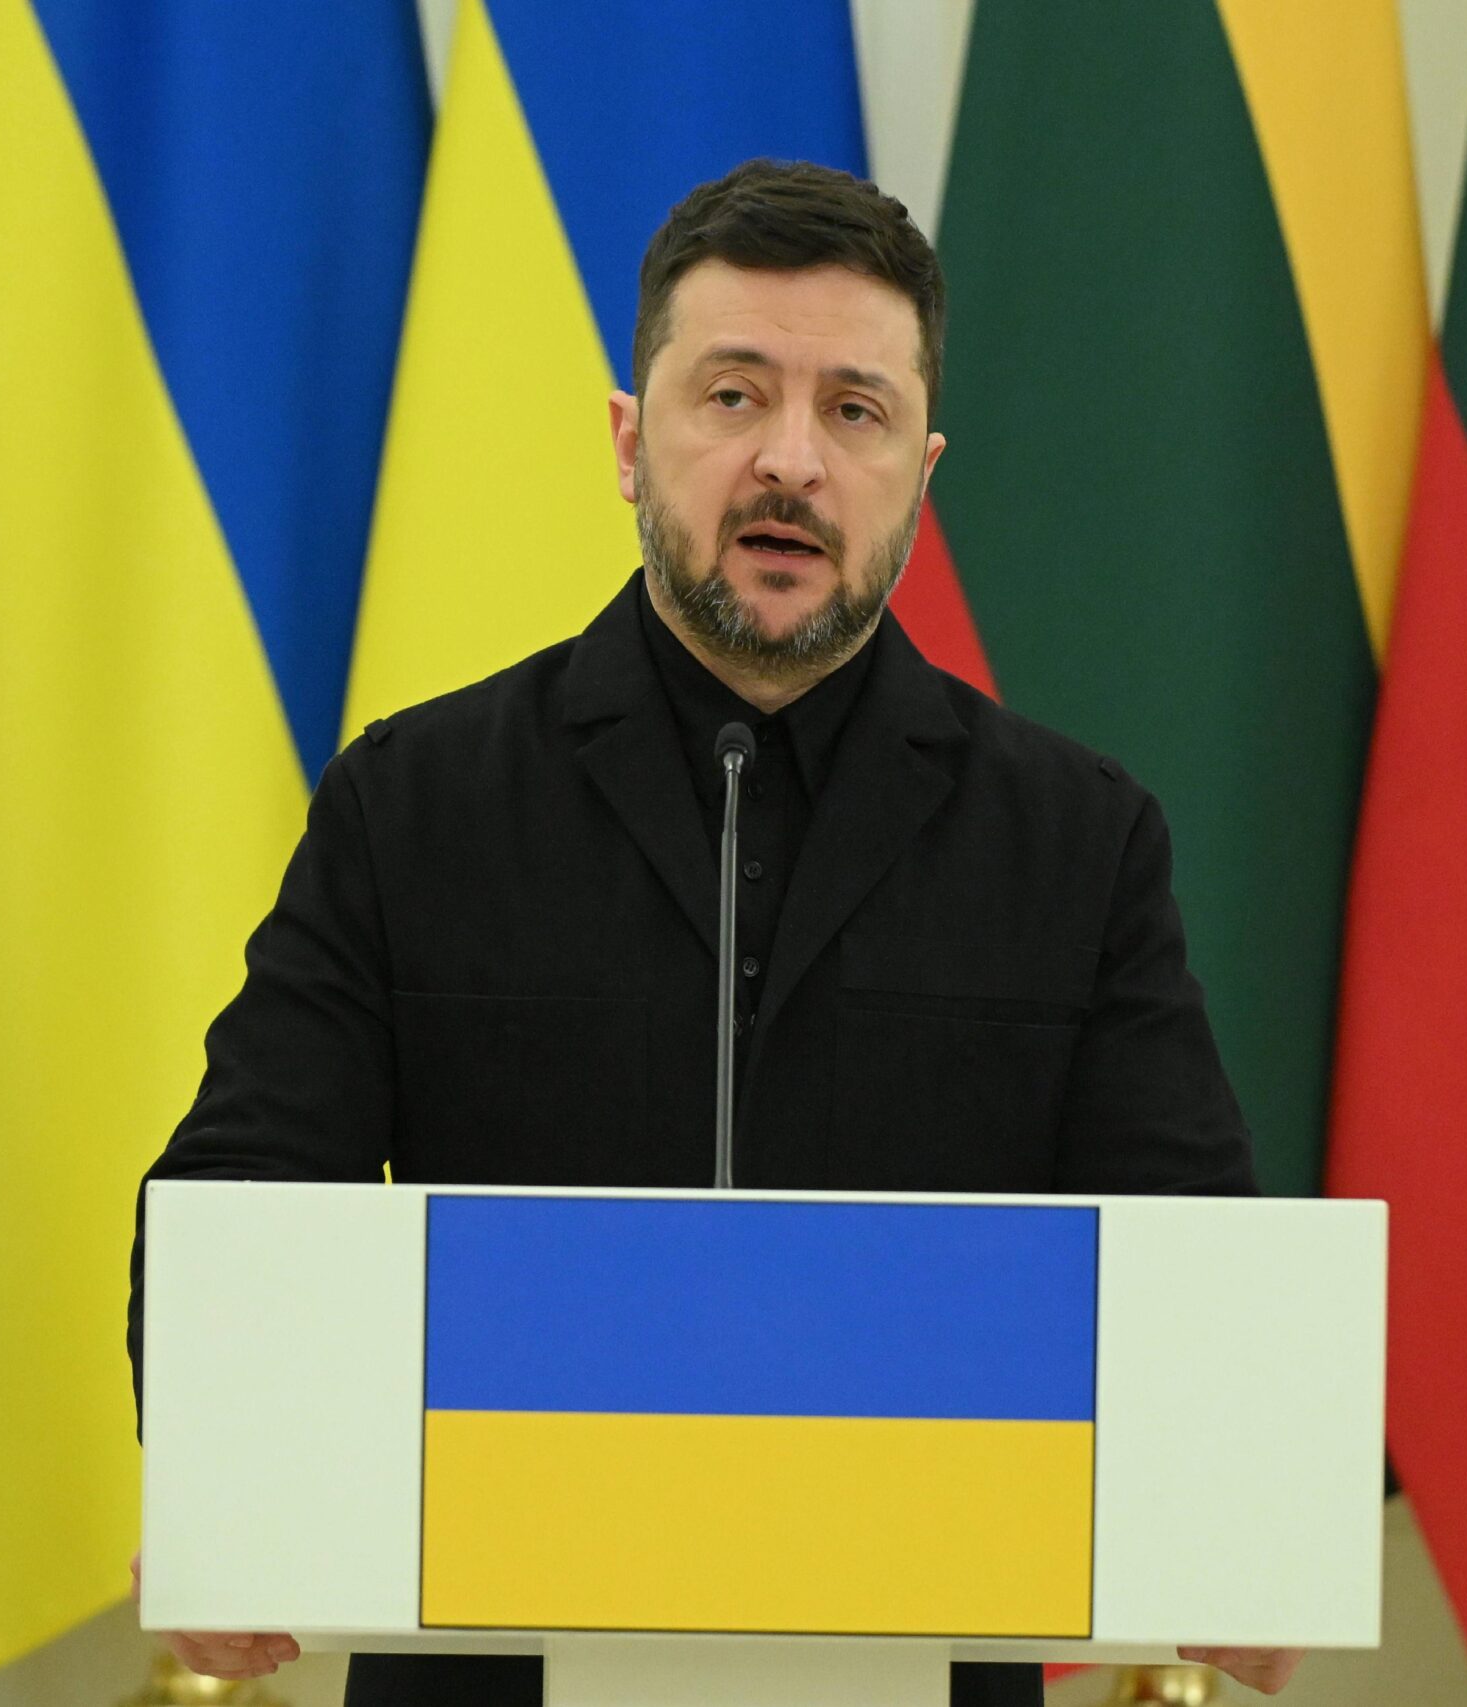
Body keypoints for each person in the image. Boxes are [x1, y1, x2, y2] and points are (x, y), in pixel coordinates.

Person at [126, 158, 1301, 1704]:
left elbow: (1190, 1267)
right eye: (734, 396)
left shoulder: (1076, 843)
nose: (790, 462)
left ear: (921, 470)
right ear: (632, 441)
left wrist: (1231, 1524)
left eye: (855, 411)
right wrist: (225, 1489)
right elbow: (245, 1198)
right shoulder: (414, 806)